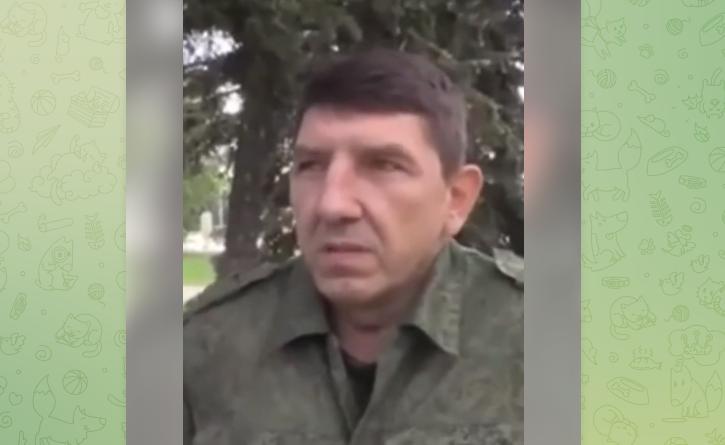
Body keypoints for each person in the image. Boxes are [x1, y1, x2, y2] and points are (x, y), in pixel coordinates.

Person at [183, 47, 523, 445]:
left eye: (384, 165)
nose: (332, 204)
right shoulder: (206, 346)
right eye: (311, 165)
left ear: (457, 199)